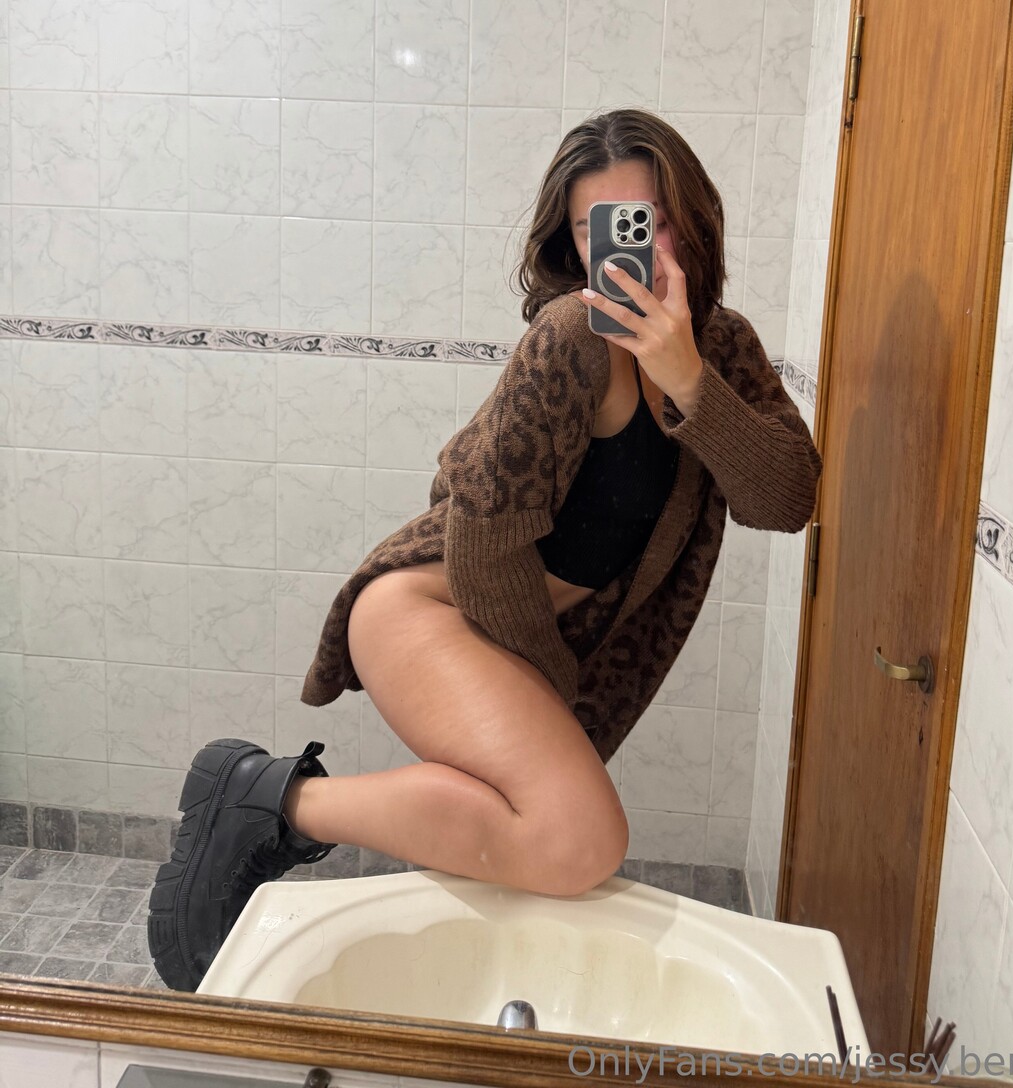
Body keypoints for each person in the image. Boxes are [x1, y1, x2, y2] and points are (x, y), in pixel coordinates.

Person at [147, 107, 821, 992]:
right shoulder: (571, 337)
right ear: (572, 242)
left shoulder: (723, 348)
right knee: (578, 837)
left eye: (647, 221)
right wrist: (551, 681)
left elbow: (787, 499)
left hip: (510, 632)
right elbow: (482, 539)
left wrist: (688, 377)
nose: (627, 249)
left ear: (692, 222)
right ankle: (274, 801)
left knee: (524, 840)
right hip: (430, 610)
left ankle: (295, 843)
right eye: (598, 229)